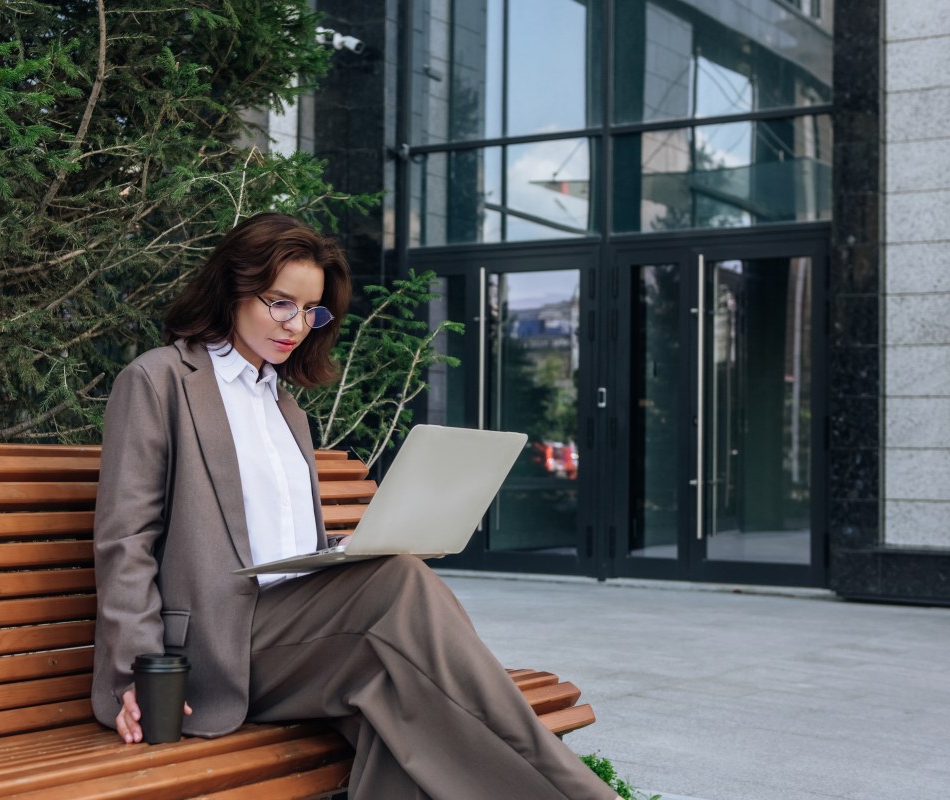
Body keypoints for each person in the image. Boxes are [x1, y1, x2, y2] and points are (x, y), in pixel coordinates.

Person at [91, 212, 618, 800]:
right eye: (280, 303)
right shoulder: (160, 380)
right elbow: (127, 539)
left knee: (402, 712)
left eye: (311, 311)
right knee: (399, 585)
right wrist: (134, 674)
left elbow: (283, 543)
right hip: (216, 647)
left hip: (302, 632)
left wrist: (345, 553)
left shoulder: (285, 407)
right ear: (233, 288)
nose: (297, 325)